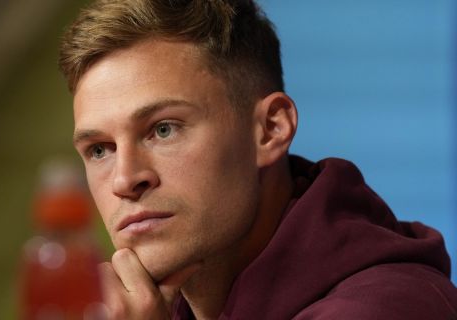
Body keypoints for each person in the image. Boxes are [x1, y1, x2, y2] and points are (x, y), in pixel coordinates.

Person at [58, 0, 457, 319]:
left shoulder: (384, 309)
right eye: (99, 150)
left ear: (270, 130)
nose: (124, 180)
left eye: (164, 129)